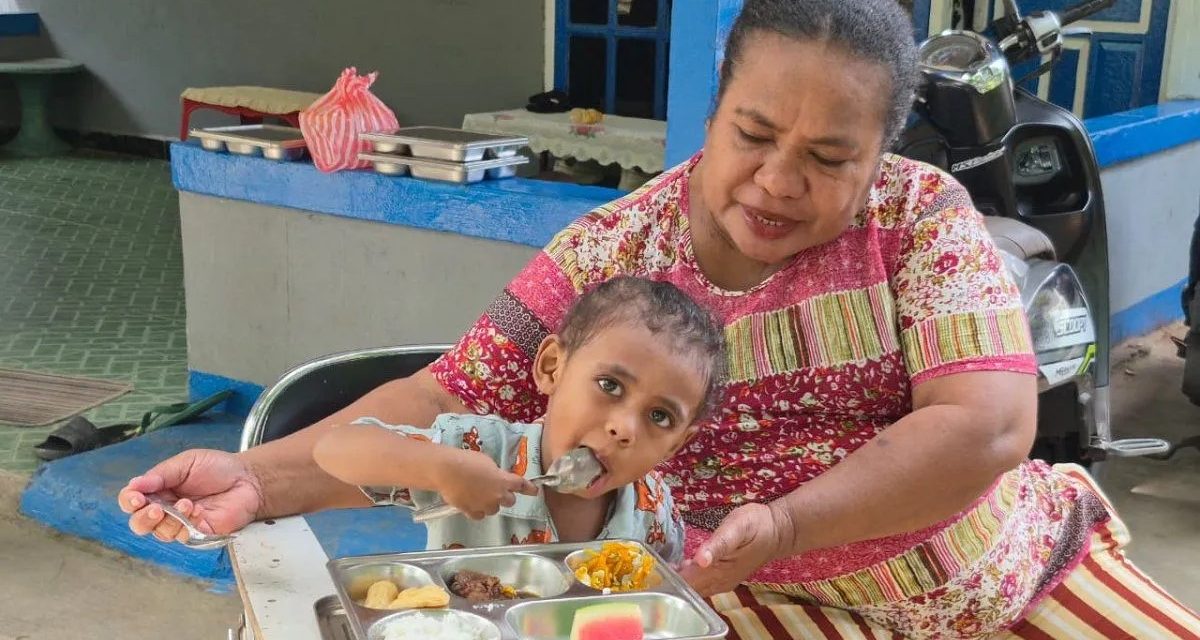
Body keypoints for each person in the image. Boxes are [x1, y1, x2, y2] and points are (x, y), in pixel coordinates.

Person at [120, 0, 1200, 636]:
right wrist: (258, 479)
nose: (778, 181)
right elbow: (446, 396)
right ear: (715, 106)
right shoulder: (609, 255)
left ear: (883, 154)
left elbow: (988, 427)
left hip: (1014, 579)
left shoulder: (923, 219)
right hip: (761, 607)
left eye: (830, 158)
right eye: (754, 133)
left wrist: (785, 517)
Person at [311, 277, 726, 560]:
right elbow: (335, 448)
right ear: (551, 368)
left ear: (677, 444)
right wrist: (437, 468)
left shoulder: (653, 516)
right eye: (610, 386)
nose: (625, 428)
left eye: (660, 416)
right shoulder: (479, 451)